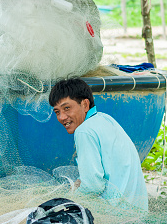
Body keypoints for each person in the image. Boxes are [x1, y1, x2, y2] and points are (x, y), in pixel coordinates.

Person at [49, 77, 148, 211]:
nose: (61, 117)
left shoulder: (84, 131)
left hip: (120, 215)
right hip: (138, 209)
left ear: (85, 104)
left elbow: (93, 186)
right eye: (57, 112)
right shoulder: (105, 118)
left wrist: (67, 202)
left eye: (67, 108)